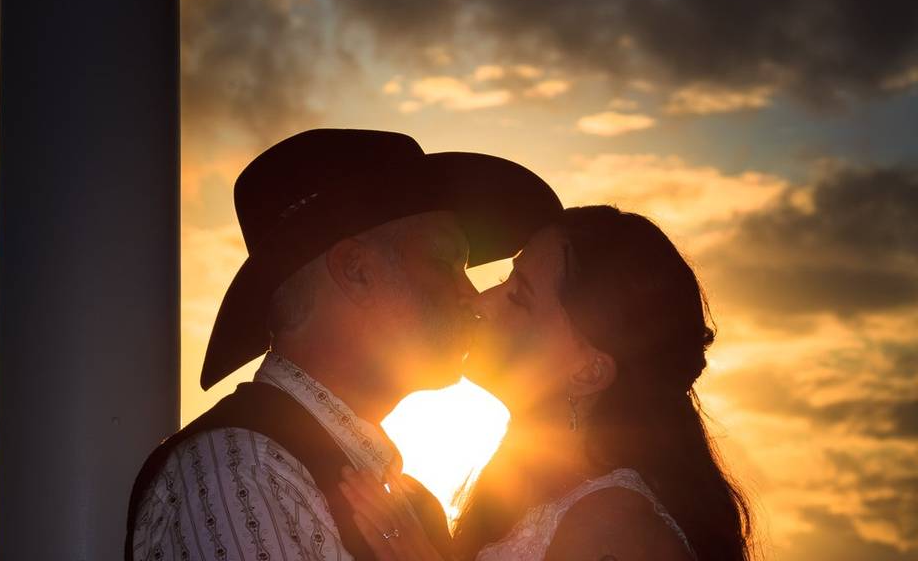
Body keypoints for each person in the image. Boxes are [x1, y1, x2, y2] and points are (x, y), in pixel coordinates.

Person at [124, 129, 562, 561]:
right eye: (446, 262)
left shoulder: (400, 500)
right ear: (355, 270)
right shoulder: (240, 470)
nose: (473, 296)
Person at [340, 205, 753, 561]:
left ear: (588, 371)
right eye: (507, 280)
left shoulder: (611, 525)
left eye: (519, 298)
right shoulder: (540, 496)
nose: (482, 300)